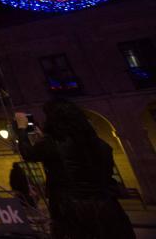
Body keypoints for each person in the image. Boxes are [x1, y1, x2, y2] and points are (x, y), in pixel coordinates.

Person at [14, 101, 135, 239]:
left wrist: (22, 129)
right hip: (108, 207)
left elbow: (28, 153)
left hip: (73, 210)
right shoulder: (99, 143)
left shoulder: (53, 143)